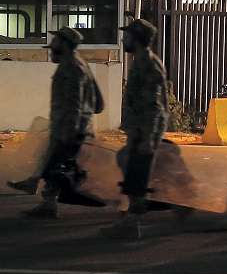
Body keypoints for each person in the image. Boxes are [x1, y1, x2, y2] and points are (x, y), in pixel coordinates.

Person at [8, 27, 103, 217]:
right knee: (51, 161)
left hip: (70, 128)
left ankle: (40, 190)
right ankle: (43, 196)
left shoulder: (72, 68)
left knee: (57, 166)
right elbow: (96, 103)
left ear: (66, 45)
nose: (51, 48)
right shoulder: (77, 64)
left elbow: (75, 104)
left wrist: (69, 131)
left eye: (55, 44)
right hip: (68, 126)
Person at [102, 19, 171, 239]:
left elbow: (153, 105)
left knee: (137, 174)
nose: (124, 39)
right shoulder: (141, 61)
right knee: (128, 164)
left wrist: (147, 138)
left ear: (138, 39)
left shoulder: (148, 64)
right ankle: (130, 217)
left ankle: (131, 224)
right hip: (140, 129)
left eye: (128, 35)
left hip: (145, 129)